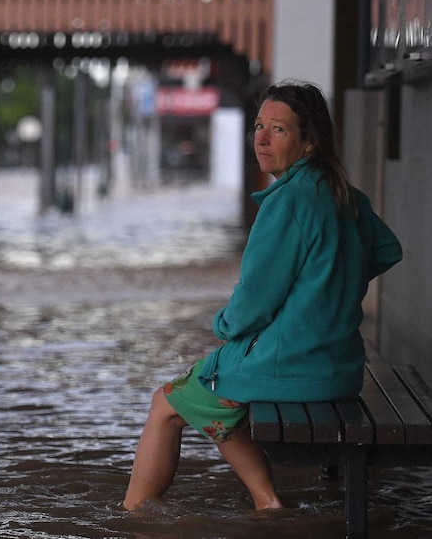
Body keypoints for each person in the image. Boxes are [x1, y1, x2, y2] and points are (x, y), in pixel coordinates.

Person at [122, 80, 403, 511]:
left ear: (309, 143)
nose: (262, 138)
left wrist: (222, 324)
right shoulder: (346, 195)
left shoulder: (286, 202)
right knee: (205, 394)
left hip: (292, 365)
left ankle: (133, 518)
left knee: (166, 402)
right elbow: (387, 250)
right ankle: (266, 501)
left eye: (279, 129)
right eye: (258, 126)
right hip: (340, 365)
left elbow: (252, 305)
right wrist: (331, 286)